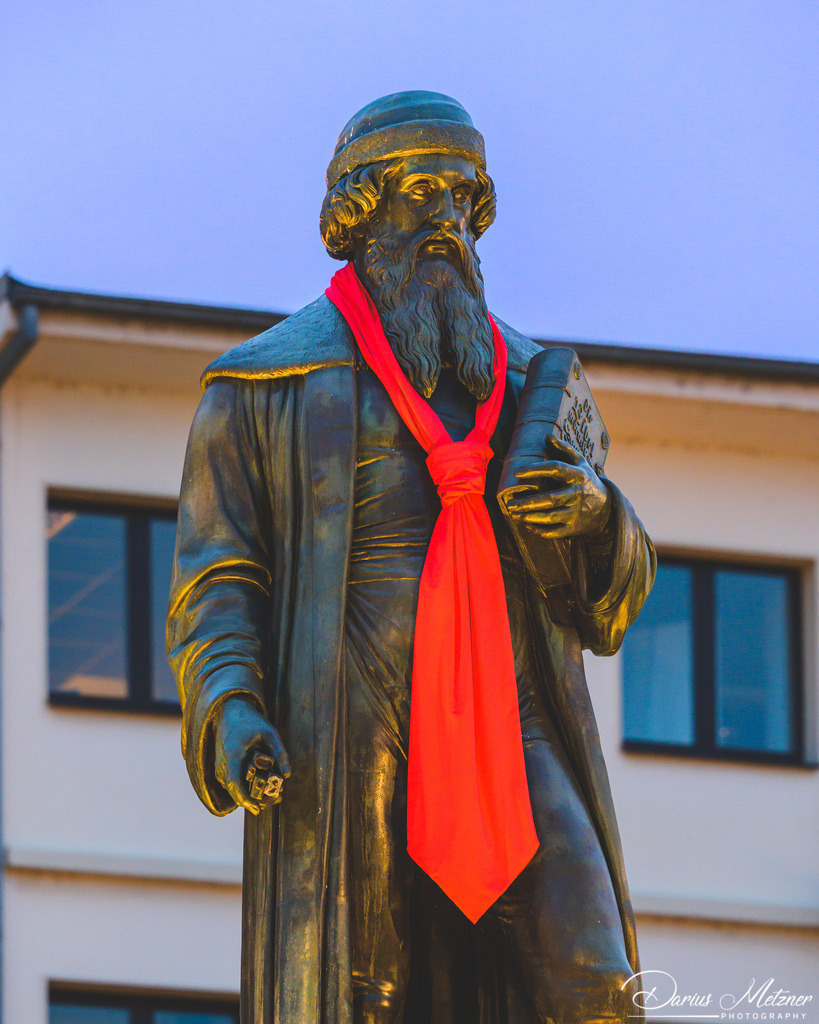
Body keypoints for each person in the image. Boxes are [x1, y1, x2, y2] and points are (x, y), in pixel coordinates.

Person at [167, 91, 655, 1024]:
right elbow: (219, 573)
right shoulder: (265, 382)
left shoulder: (529, 381)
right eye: (419, 191)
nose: (444, 219)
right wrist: (230, 707)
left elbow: (612, 602)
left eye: (462, 198)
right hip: (351, 708)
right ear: (357, 212)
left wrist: (594, 514)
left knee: (597, 985)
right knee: (366, 994)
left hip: (512, 718)